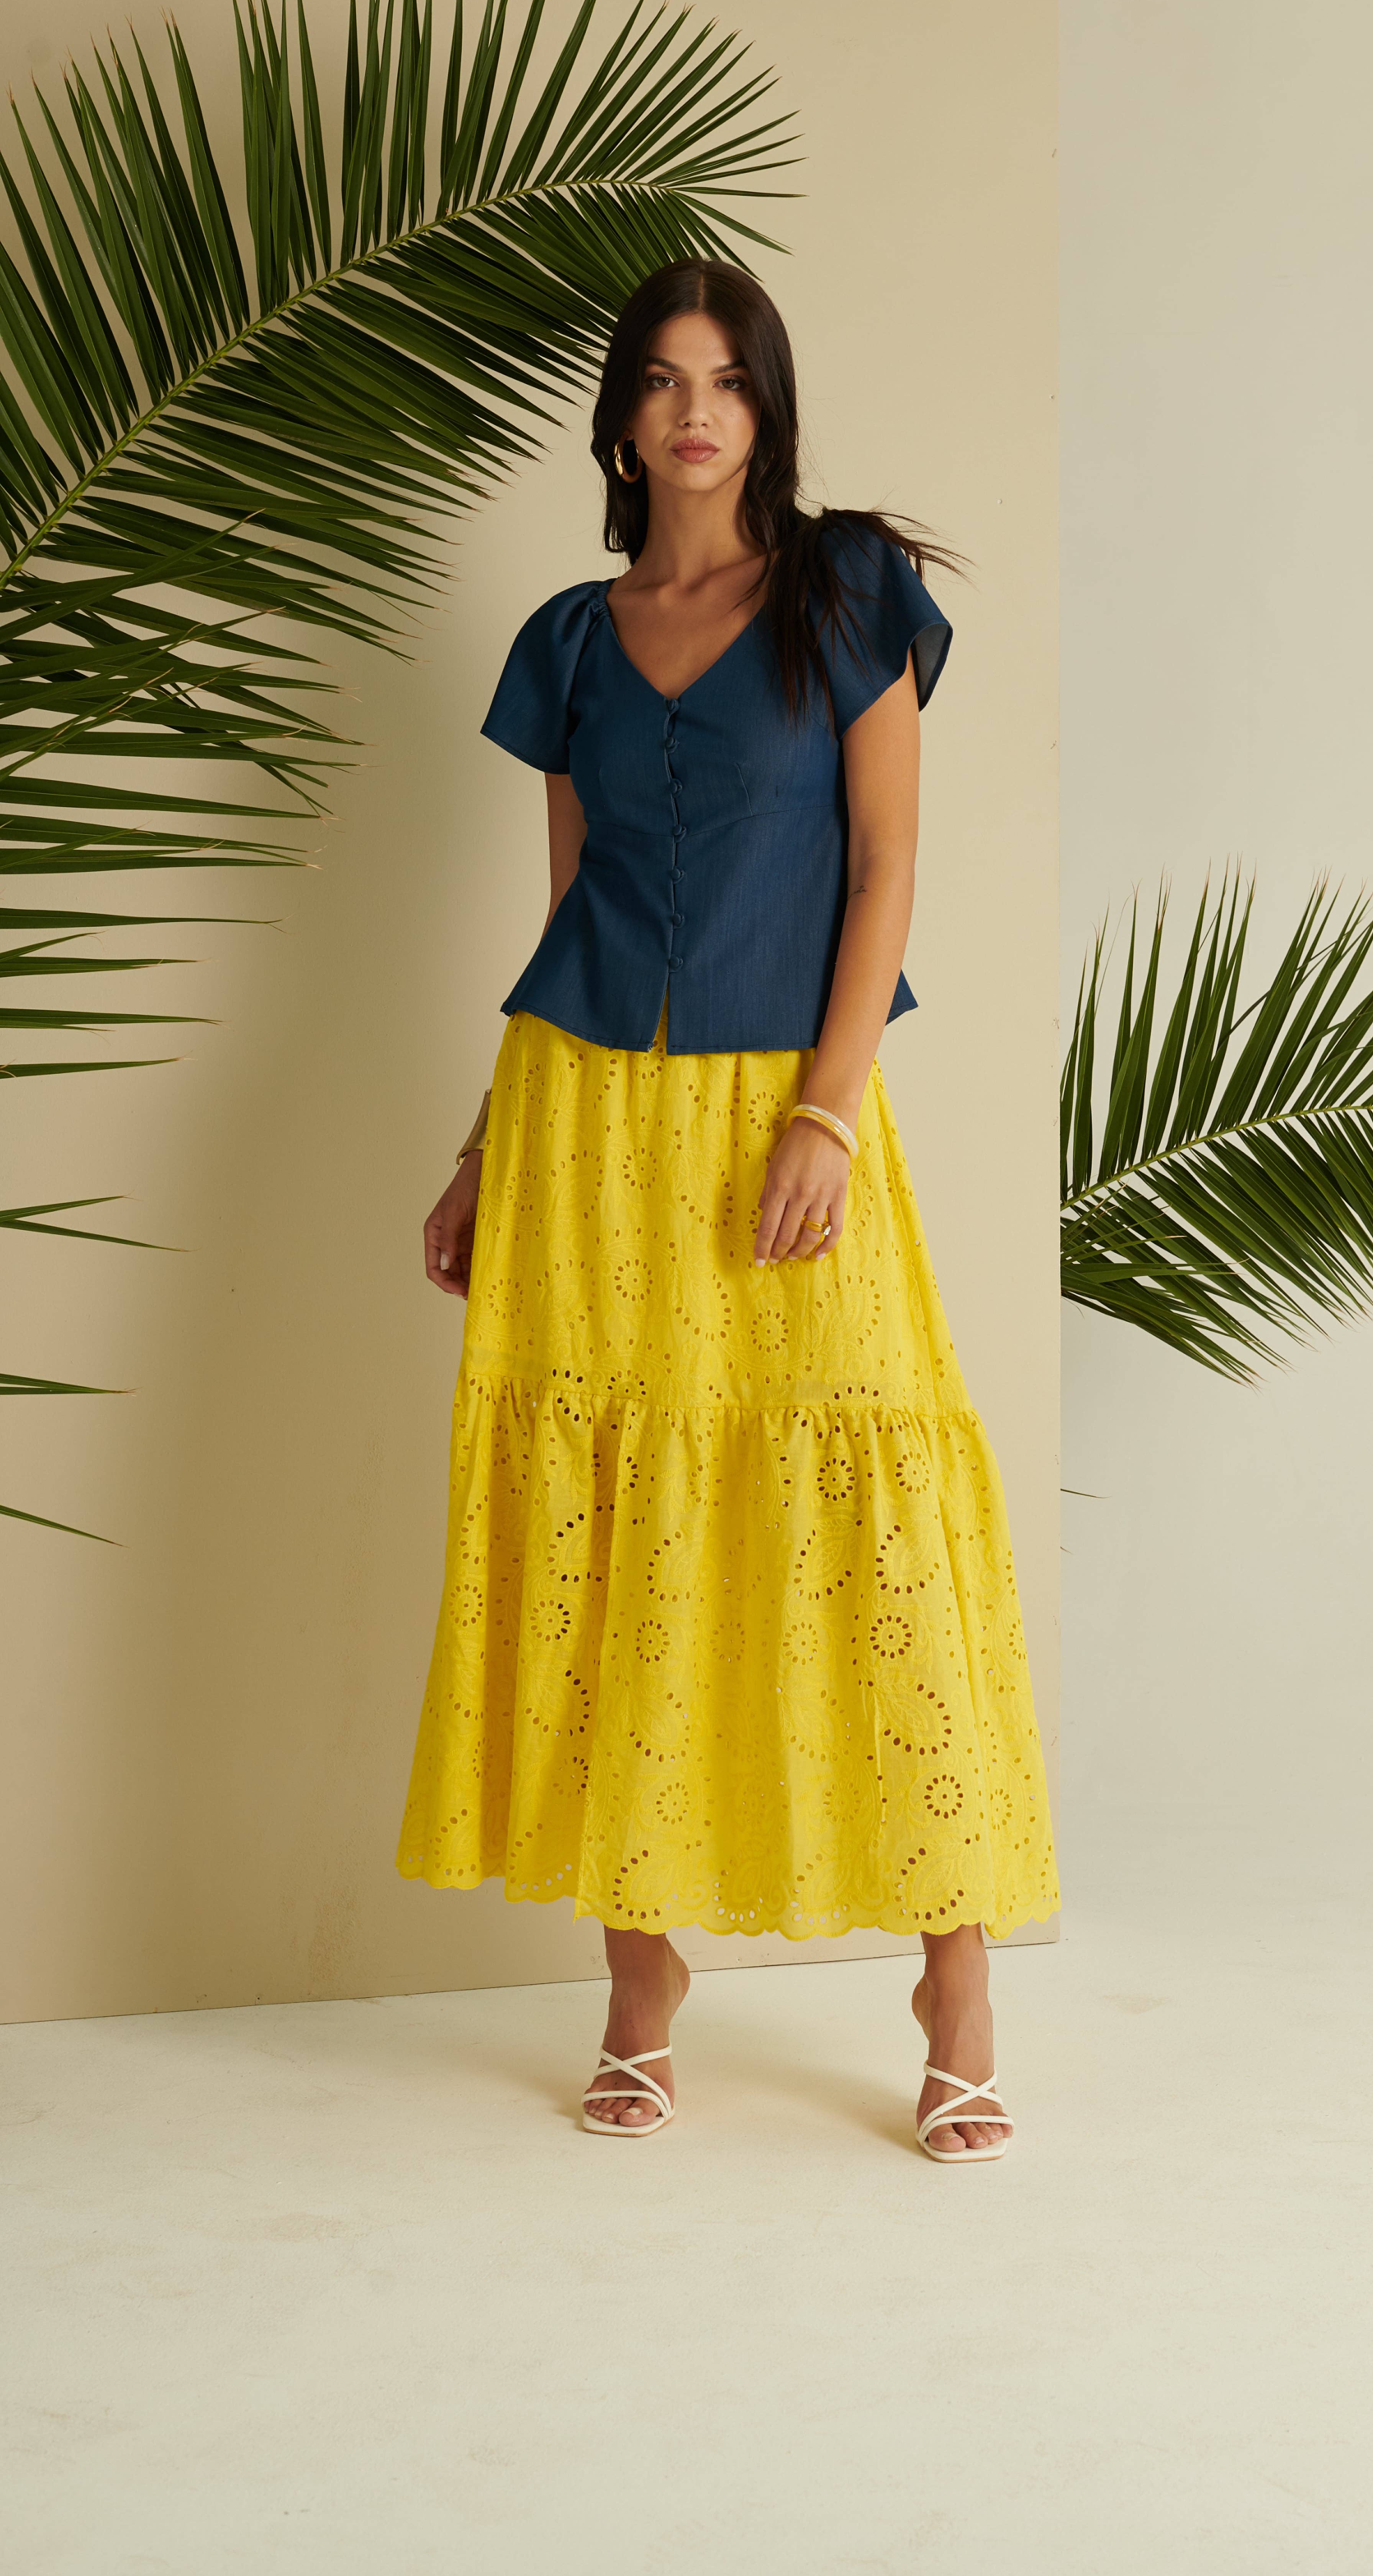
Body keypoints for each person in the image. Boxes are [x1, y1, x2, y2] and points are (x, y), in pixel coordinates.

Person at [397, 259, 1059, 2161]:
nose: (697, 411)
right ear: (622, 419)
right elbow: (571, 912)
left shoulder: (847, 594)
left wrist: (829, 1113)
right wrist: (484, 1146)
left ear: (768, 411)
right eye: (665, 381)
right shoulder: (572, 642)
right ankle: (639, 1979)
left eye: (731, 380)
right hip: (583, 1127)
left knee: (869, 1513)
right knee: (615, 1532)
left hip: (784, 1114)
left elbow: (887, 867)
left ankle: (955, 1981)